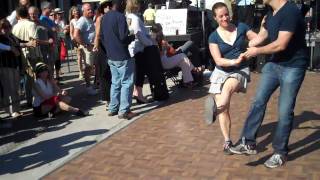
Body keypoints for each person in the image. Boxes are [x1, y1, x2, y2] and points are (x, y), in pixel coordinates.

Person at [229, 0, 308, 168]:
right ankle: (248, 142)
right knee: (258, 101)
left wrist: (256, 51)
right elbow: (261, 37)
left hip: (293, 67)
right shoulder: (270, 14)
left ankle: (280, 153)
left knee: (285, 110)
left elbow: (281, 44)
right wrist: (242, 48)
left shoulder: (290, 12)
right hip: (274, 65)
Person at [204, 2, 257, 154]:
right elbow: (218, 61)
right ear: (215, 18)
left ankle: (213, 110)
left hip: (240, 70)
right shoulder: (213, 37)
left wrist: (259, 39)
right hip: (221, 71)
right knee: (224, 109)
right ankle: (227, 142)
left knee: (227, 88)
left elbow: (257, 39)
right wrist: (234, 60)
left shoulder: (241, 27)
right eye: (221, 16)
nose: (225, 18)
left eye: (226, 14)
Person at [100, 0, 136, 119]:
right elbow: (123, 38)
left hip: (111, 56)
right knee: (127, 82)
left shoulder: (104, 17)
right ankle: (124, 110)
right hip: (122, 55)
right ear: (120, 3)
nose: (125, 5)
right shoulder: (120, 17)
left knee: (115, 82)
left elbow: (101, 37)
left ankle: (113, 108)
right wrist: (133, 36)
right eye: (124, 3)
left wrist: (109, 48)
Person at [151, 23, 202, 88]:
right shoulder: (156, 41)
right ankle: (194, 69)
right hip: (163, 63)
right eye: (160, 30)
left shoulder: (156, 39)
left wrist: (167, 47)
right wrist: (165, 48)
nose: (161, 32)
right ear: (159, 31)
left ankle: (188, 82)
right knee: (183, 54)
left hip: (165, 60)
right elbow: (162, 54)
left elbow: (168, 51)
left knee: (184, 63)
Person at [12, 6, 43, 107]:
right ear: (27, 13)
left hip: (22, 56)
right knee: (38, 77)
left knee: (27, 79)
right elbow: (35, 41)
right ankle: (39, 99)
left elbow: (15, 43)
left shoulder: (14, 27)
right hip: (33, 54)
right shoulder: (31, 24)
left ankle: (30, 100)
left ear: (18, 15)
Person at [126, 0, 155, 103]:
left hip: (130, 48)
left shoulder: (127, 17)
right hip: (137, 48)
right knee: (140, 73)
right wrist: (150, 43)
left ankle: (136, 92)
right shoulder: (135, 18)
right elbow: (139, 34)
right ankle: (139, 94)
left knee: (135, 72)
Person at [0, 19, 24, 118]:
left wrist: (31, 42)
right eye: (4, 27)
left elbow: (20, 43)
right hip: (5, 66)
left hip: (15, 65)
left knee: (15, 89)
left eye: (8, 27)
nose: (6, 29)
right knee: (8, 89)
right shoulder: (1, 38)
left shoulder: (11, 37)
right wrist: (11, 49)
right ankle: (11, 111)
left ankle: (16, 109)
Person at [74, 3, 98, 96]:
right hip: (88, 48)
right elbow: (76, 34)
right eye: (88, 10)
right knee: (88, 67)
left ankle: (93, 85)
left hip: (92, 47)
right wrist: (84, 44)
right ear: (83, 11)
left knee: (92, 67)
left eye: (91, 9)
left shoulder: (89, 19)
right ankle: (88, 87)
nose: (90, 11)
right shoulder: (82, 20)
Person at [93, 0, 112, 108]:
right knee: (105, 74)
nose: (108, 7)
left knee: (111, 74)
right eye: (105, 6)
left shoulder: (112, 17)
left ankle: (112, 98)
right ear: (102, 8)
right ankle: (107, 100)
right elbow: (97, 35)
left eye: (109, 5)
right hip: (102, 48)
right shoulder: (100, 18)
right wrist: (95, 46)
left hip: (111, 48)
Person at [28, 6, 55, 79]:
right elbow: (32, 40)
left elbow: (51, 33)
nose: (32, 15)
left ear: (38, 13)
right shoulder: (29, 24)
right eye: (30, 14)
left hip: (47, 51)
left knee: (49, 69)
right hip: (35, 52)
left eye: (34, 14)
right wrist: (47, 42)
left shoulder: (42, 22)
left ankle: (50, 86)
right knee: (39, 72)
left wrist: (52, 43)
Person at [69, 6, 84, 80]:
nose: (76, 12)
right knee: (79, 57)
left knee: (86, 57)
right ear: (72, 13)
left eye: (77, 10)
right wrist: (73, 40)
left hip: (84, 40)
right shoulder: (72, 21)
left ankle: (89, 70)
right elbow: (71, 33)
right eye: (74, 11)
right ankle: (81, 72)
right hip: (77, 41)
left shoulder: (82, 19)